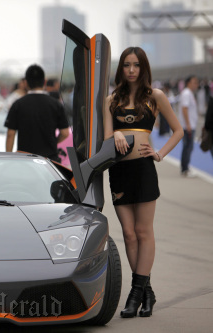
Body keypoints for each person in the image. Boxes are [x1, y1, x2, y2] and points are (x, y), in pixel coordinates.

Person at [104, 46, 183, 318]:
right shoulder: (111, 100)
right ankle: (147, 292)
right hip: (119, 172)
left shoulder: (156, 96)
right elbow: (104, 138)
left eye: (136, 64)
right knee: (128, 234)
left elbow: (179, 130)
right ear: (121, 68)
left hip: (145, 170)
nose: (131, 69)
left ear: (143, 67)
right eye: (126, 64)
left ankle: (135, 293)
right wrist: (114, 132)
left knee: (143, 231)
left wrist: (159, 154)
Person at [4, 64, 69, 162]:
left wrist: (8, 158)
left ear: (26, 83)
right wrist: (53, 143)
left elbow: (10, 134)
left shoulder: (18, 104)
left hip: (25, 159)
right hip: (50, 160)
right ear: (45, 81)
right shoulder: (56, 104)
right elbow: (65, 133)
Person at [178, 75, 200, 177]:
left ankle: (185, 167)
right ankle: (185, 169)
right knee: (188, 147)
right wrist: (188, 124)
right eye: (194, 82)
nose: (196, 84)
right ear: (188, 83)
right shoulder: (187, 93)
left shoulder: (189, 93)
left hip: (189, 125)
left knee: (188, 147)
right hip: (188, 126)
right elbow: (184, 109)